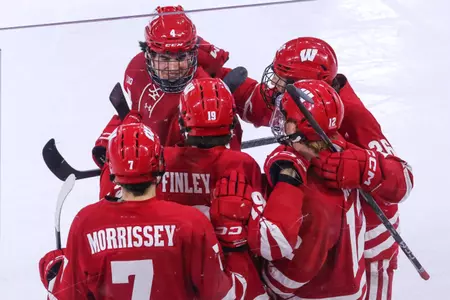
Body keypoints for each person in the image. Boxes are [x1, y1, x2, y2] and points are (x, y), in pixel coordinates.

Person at [224, 37, 413, 299]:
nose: (273, 86)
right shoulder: (303, 106)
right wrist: (205, 71)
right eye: (276, 75)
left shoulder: (352, 115)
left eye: (282, 80)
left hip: (368, 242)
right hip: (329, 239)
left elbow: (403, 180)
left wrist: (365, 166)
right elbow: (256, 105)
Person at [99, 78, 270, 299]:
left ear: (182, 122)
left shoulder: (162, 158)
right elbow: (266, 238)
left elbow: (111, 192)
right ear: (232, 124)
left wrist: (122, 135)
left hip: (167, 271)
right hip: (222, 272)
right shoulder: (243, 164)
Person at [39, 122, 248, 299]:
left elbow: (69, 294)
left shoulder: (86, 222)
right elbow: (223, 294)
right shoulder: (191, 222)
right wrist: (236, 250)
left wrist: (54, 270)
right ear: (160, 164)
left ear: (111, 170)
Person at [92, 5, 242, 169]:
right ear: (148, 54)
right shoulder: (137, 71)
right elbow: (135, 115)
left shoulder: (205, 89)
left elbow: (225, 159)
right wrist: (108, 143)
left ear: (193, 54)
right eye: (164, 58)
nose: (172, 68)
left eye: (180, 58)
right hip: (154, 167)